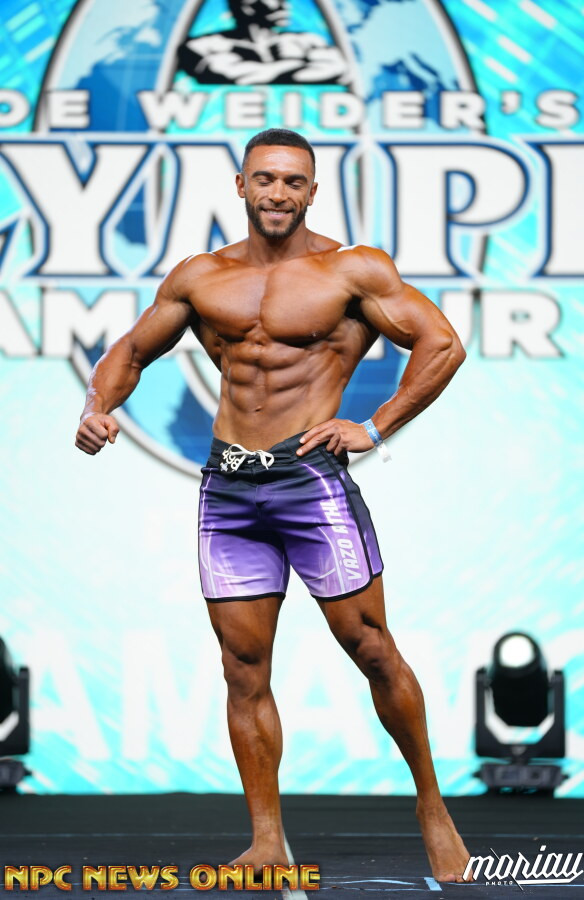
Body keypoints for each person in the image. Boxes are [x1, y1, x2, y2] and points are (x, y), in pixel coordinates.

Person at [75, 128, 472, 883]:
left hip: (309, 482)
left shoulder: (352, 269)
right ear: (242, 185)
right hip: (228, 490)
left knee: (370, 646)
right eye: (266, 179)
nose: (279, 193)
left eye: (294, 181)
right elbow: (129, 351)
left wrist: (374, 426)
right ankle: (266, 841)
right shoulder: (201, 276)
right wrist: (97, 406)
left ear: (312, 191)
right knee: (243, 668)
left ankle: (430, 804)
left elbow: (443, 344)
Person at [177, 0, 349, 85]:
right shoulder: (203, 46)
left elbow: (338, 69)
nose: (286, 5)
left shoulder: (306, 41)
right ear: (247, 5)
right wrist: (298, 63)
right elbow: (234, 75)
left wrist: (269, 70)